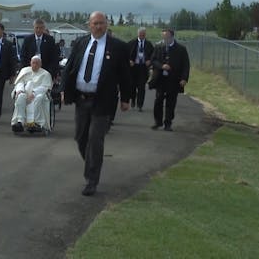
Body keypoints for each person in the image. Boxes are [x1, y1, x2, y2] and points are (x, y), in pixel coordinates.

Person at [61, 11, 131, 196]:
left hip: (102, 100)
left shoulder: (117, 47)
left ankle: (92, 180)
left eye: (102, 23)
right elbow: (70, 68)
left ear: (106, 24)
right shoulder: (81, 43)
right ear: (89, 25)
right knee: (80, 138)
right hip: (81, 99)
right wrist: (63, 90)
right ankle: (93, 163)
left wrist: (125, 98)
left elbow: (125, 75)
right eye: (95, 23)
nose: (98, 26)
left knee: (95, 140)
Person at [149, 28, 190, 131]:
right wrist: (161, 66)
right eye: (163, 37)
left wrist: (184, 78)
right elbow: (153, 60)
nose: (165, 39)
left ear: (172, 37)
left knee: (171, 102)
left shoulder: (181, 49)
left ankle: (168, 123)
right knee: (158, 100)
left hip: (174, 80)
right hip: (160, 79)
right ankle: (158, 122)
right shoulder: (159, 47)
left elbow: (186, 65)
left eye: (167, 37)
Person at [11, 55, 53, 132]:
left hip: (39, 94)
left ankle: (37, 123)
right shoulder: (24, 71)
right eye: (33, 63)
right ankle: (20, 122)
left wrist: (34, 93)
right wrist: (20, 90)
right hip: (26, 93)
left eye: (37, 63)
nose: (35, 65)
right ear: (30, 63)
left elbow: (45, 87)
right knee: (20, 97)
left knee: (38, 98)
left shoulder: (45, 74)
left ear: (40, 64)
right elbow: (19, 82)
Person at [128, 27, 154, 112]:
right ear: (138, 34)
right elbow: (125, 54)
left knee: (141, 87)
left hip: (143, 68)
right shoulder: (132, 43)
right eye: (140, 34)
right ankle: (133, 98)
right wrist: (130, 60)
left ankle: (140, 105)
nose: (142, 36)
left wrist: (149, 61)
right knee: (132, 86)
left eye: (143, 34)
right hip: (133, 67)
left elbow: (153, 55)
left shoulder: (149, 44)